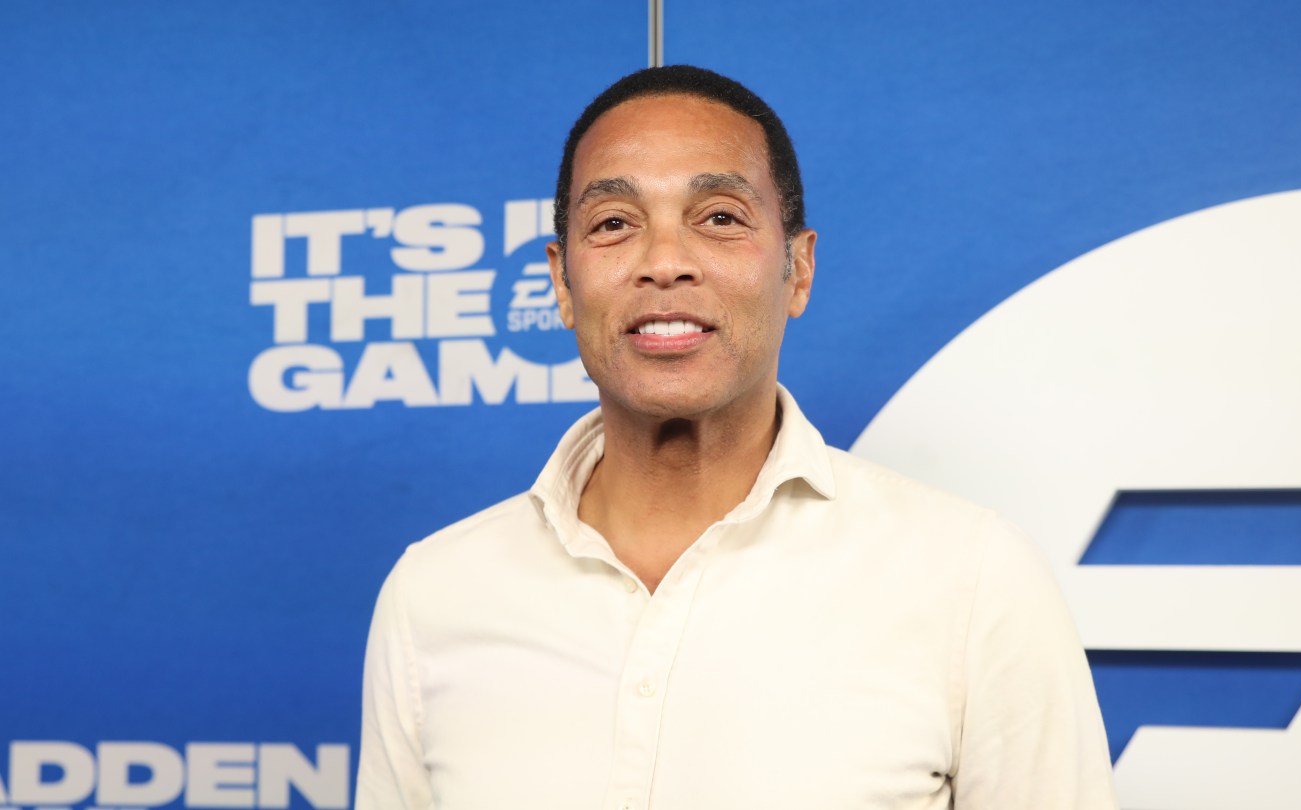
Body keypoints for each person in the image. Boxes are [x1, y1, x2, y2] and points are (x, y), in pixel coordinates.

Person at [358, 65, 1117, 809]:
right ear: (562, 282)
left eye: (720, 218)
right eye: (614, 223)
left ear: (798, 270)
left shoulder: (973, 581)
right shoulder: (433, 596)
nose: (664, 264)